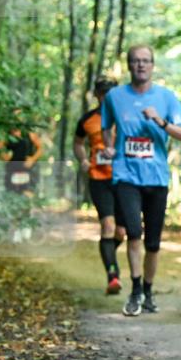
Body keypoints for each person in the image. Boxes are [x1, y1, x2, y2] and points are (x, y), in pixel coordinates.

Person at [101, 46, 181, 316]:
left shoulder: (166, 97)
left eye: (145, 61)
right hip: (125, 175)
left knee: (153, 242)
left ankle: (149, 291)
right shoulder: (114, 96)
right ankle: (136, 289)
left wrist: (160, 122)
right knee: (133, 233)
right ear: (129, 66)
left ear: (152, 65)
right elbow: (106, 127)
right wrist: (108, 147)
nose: (140, 65)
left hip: (157, 178)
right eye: (135, 61)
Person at [74, 76, 127, 294]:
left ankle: (109, 255)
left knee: (121, 233)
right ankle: (112, 276)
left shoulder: (125, 116)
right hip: (99, 179)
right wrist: (84, 160)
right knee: (108, 226)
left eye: (110, 93)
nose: (106, 96)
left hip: (124, 179)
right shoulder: (87, 119)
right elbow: (77, 143)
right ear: (96, 95)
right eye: (102, 93)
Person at [0, 109, 43, 195]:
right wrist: (3, 155)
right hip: (12, 168)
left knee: (27, 192)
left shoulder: (29, 134)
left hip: (27, 168)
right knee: (11, 193)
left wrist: (32, 159)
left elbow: (40, 148)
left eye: (19, 116)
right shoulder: (6, 135)